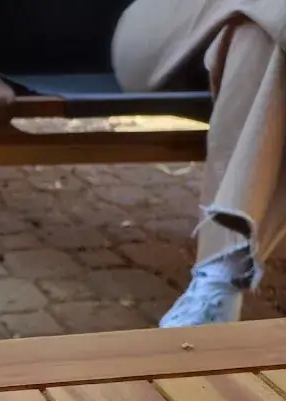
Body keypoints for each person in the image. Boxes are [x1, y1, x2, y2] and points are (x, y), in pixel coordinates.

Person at [112, 1, 286, 326]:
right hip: (163, 31)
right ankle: (222, 270)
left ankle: (221, 278)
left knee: (258, 36)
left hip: (255, 41)